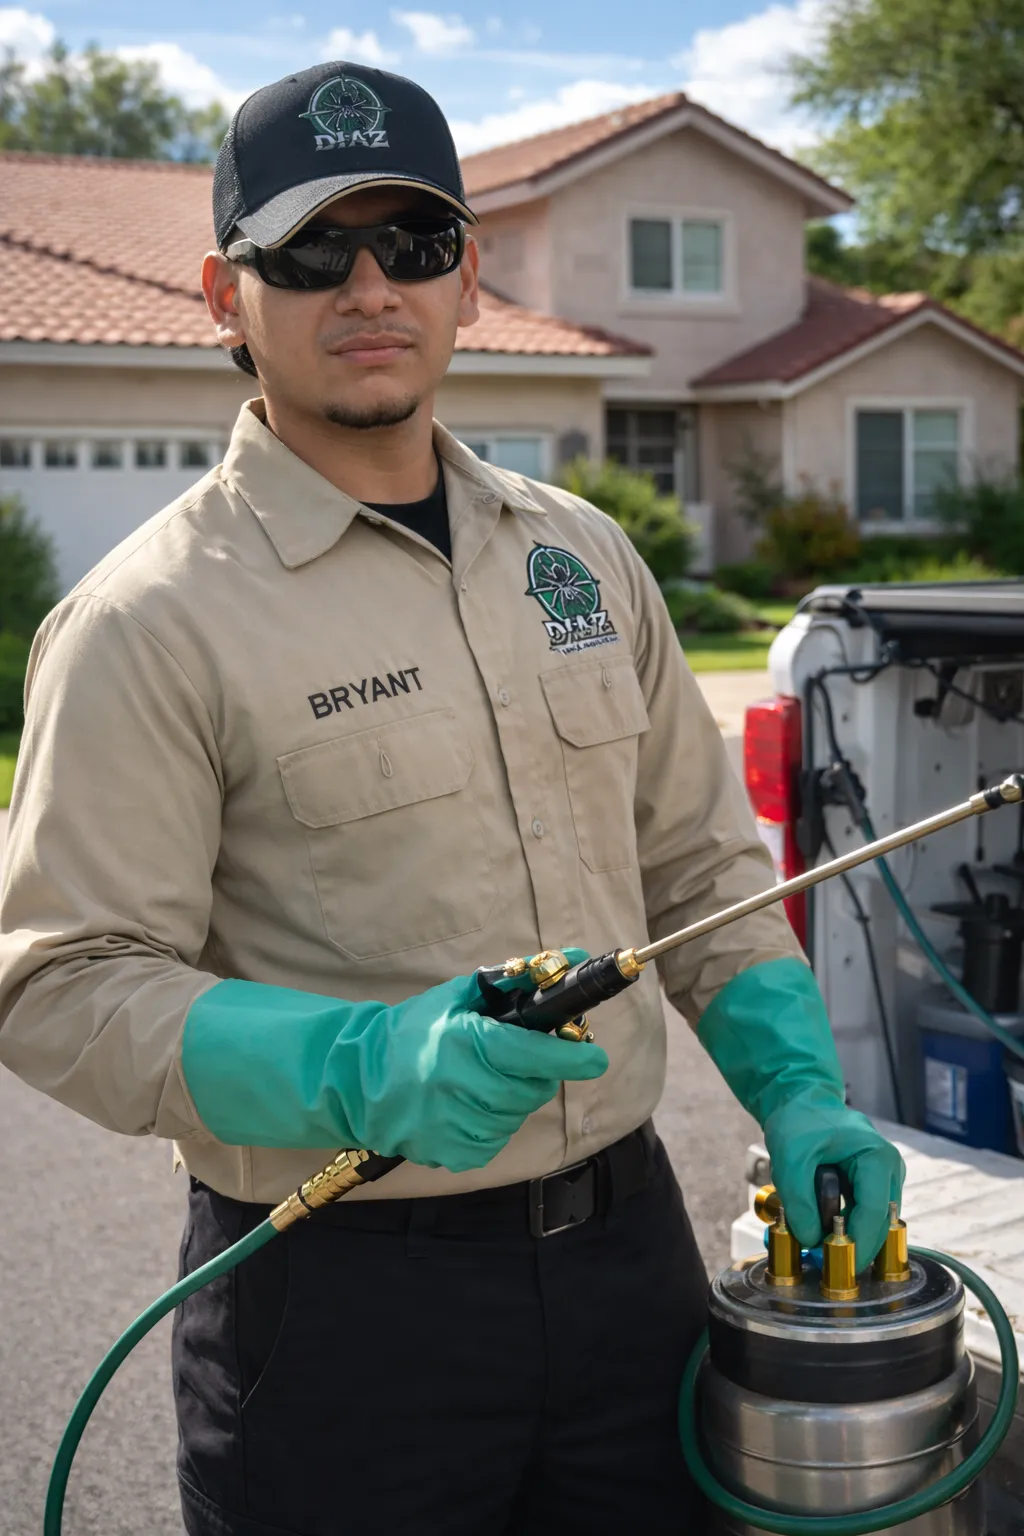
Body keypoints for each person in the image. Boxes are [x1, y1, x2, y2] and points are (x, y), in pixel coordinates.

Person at [0, 60, 904, 1536]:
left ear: (470, 280)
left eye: (412, 245)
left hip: (637, 1270)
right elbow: (55, 985)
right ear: (226, 298)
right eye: (310, 252)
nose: (370, 286)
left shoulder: (584, 559)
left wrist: (800, 1095)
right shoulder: (144, 623)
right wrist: (359, 1061)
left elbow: (697, 870)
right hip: (341, 1313)